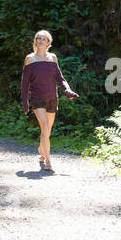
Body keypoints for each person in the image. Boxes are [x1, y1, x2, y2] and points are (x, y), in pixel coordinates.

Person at [21, 30, 77, 172]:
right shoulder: (30, 59)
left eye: (43, 39)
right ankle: (48, 162)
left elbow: (60, 78)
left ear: (48, 43)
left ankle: (41, 148)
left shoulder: (53, 58)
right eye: (38, 38)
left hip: (52, 98)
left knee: (47, 130)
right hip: (37, 98)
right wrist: (25, 101)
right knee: (44, 126)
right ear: (35, 41)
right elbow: (25, 83)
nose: (40, 40)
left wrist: (67, 90)